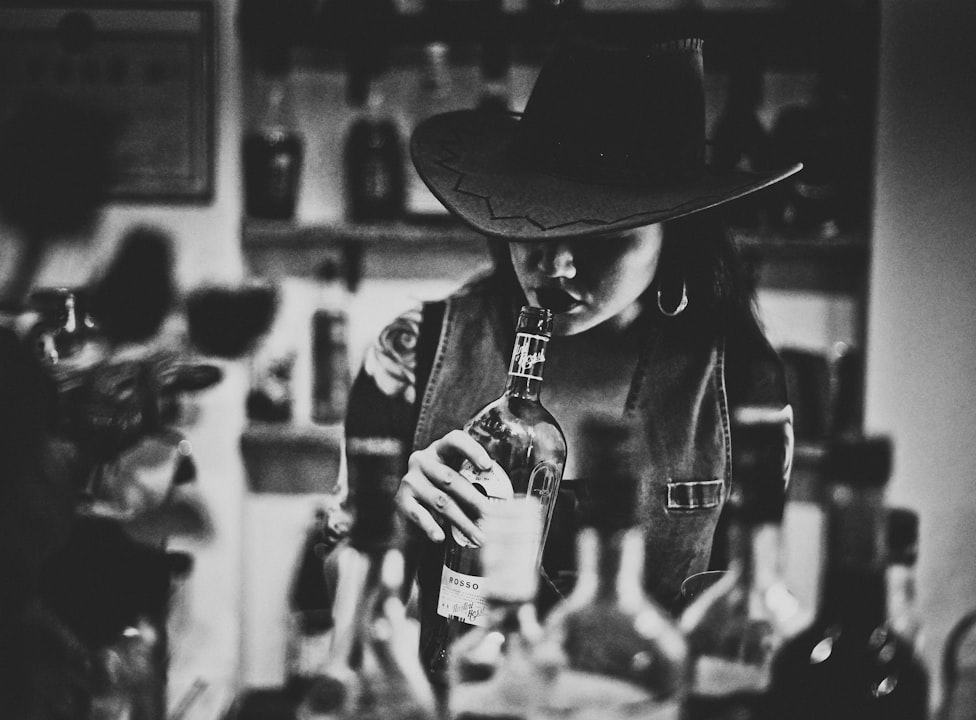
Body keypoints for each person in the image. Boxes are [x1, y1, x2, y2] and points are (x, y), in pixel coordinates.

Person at [334, 30, 798, 655]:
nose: (559, 269)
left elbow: (748, 613)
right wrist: (386, 526)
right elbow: (328, 590)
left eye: (605, 236)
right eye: (537, 225)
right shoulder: (412, 350)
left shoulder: (741, 380)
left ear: (675, 232)